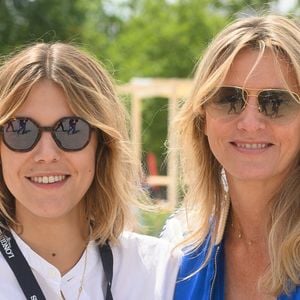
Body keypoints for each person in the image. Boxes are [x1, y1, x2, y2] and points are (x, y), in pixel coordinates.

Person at [0, 43, 180, 300]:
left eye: (71, 128)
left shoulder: (162, 273)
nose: (47, 154)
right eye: (21, 130)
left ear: (102, 145)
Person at [166, 14, 300, 299]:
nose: (250, 123)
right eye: (229, 99)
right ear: (202, 117)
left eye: (276, 102)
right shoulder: (175, 255)